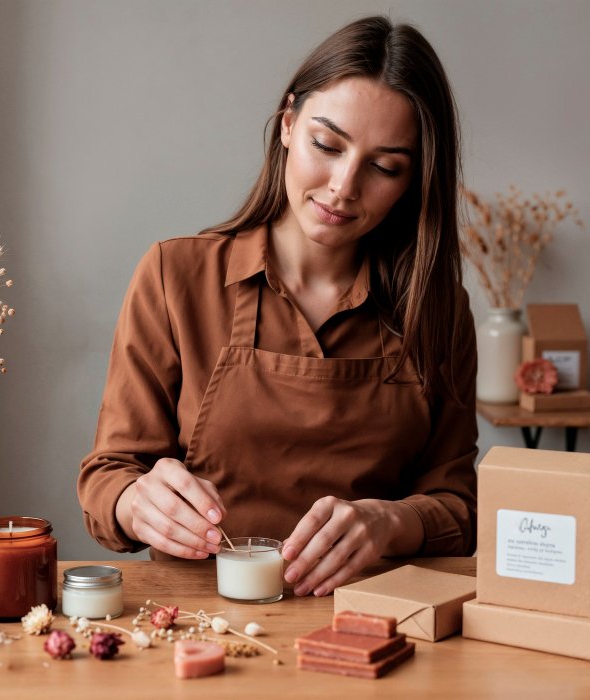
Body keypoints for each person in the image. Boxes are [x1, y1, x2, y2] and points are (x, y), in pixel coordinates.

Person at [78, 15, 478, 597]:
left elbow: (459, 508)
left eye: (384, 167)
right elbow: (108, 474)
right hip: (199, 618)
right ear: (288, 123)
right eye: (327, 145)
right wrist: (135, 503)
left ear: (414, 180)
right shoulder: (174, 275)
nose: (344, 186)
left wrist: (390, 522)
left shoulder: (437, 310)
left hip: (372, 618)